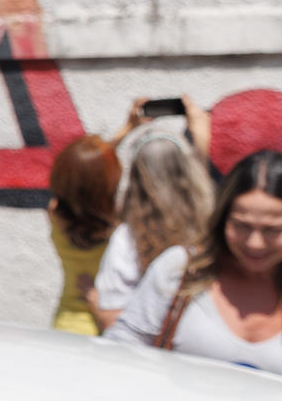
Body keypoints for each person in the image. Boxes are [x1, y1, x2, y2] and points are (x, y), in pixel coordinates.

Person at [106, 149, 282, 387]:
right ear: (222, 218)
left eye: (273, 229)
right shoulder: (180, 270)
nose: (254, 242)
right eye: (241, 225)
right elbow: (121, 351)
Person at [81, 126, 214, 334]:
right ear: (190, 172)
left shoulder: (128, 238)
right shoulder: (215, 229)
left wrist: (96, 301)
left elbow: (113, 322)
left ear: (135, 179)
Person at [46, 135, 121, 335]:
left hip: (65, 323)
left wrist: (127, 129)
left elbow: (84, 174)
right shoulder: (120, 226)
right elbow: (95, 173)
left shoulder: (55, 215)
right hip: (105, 328)